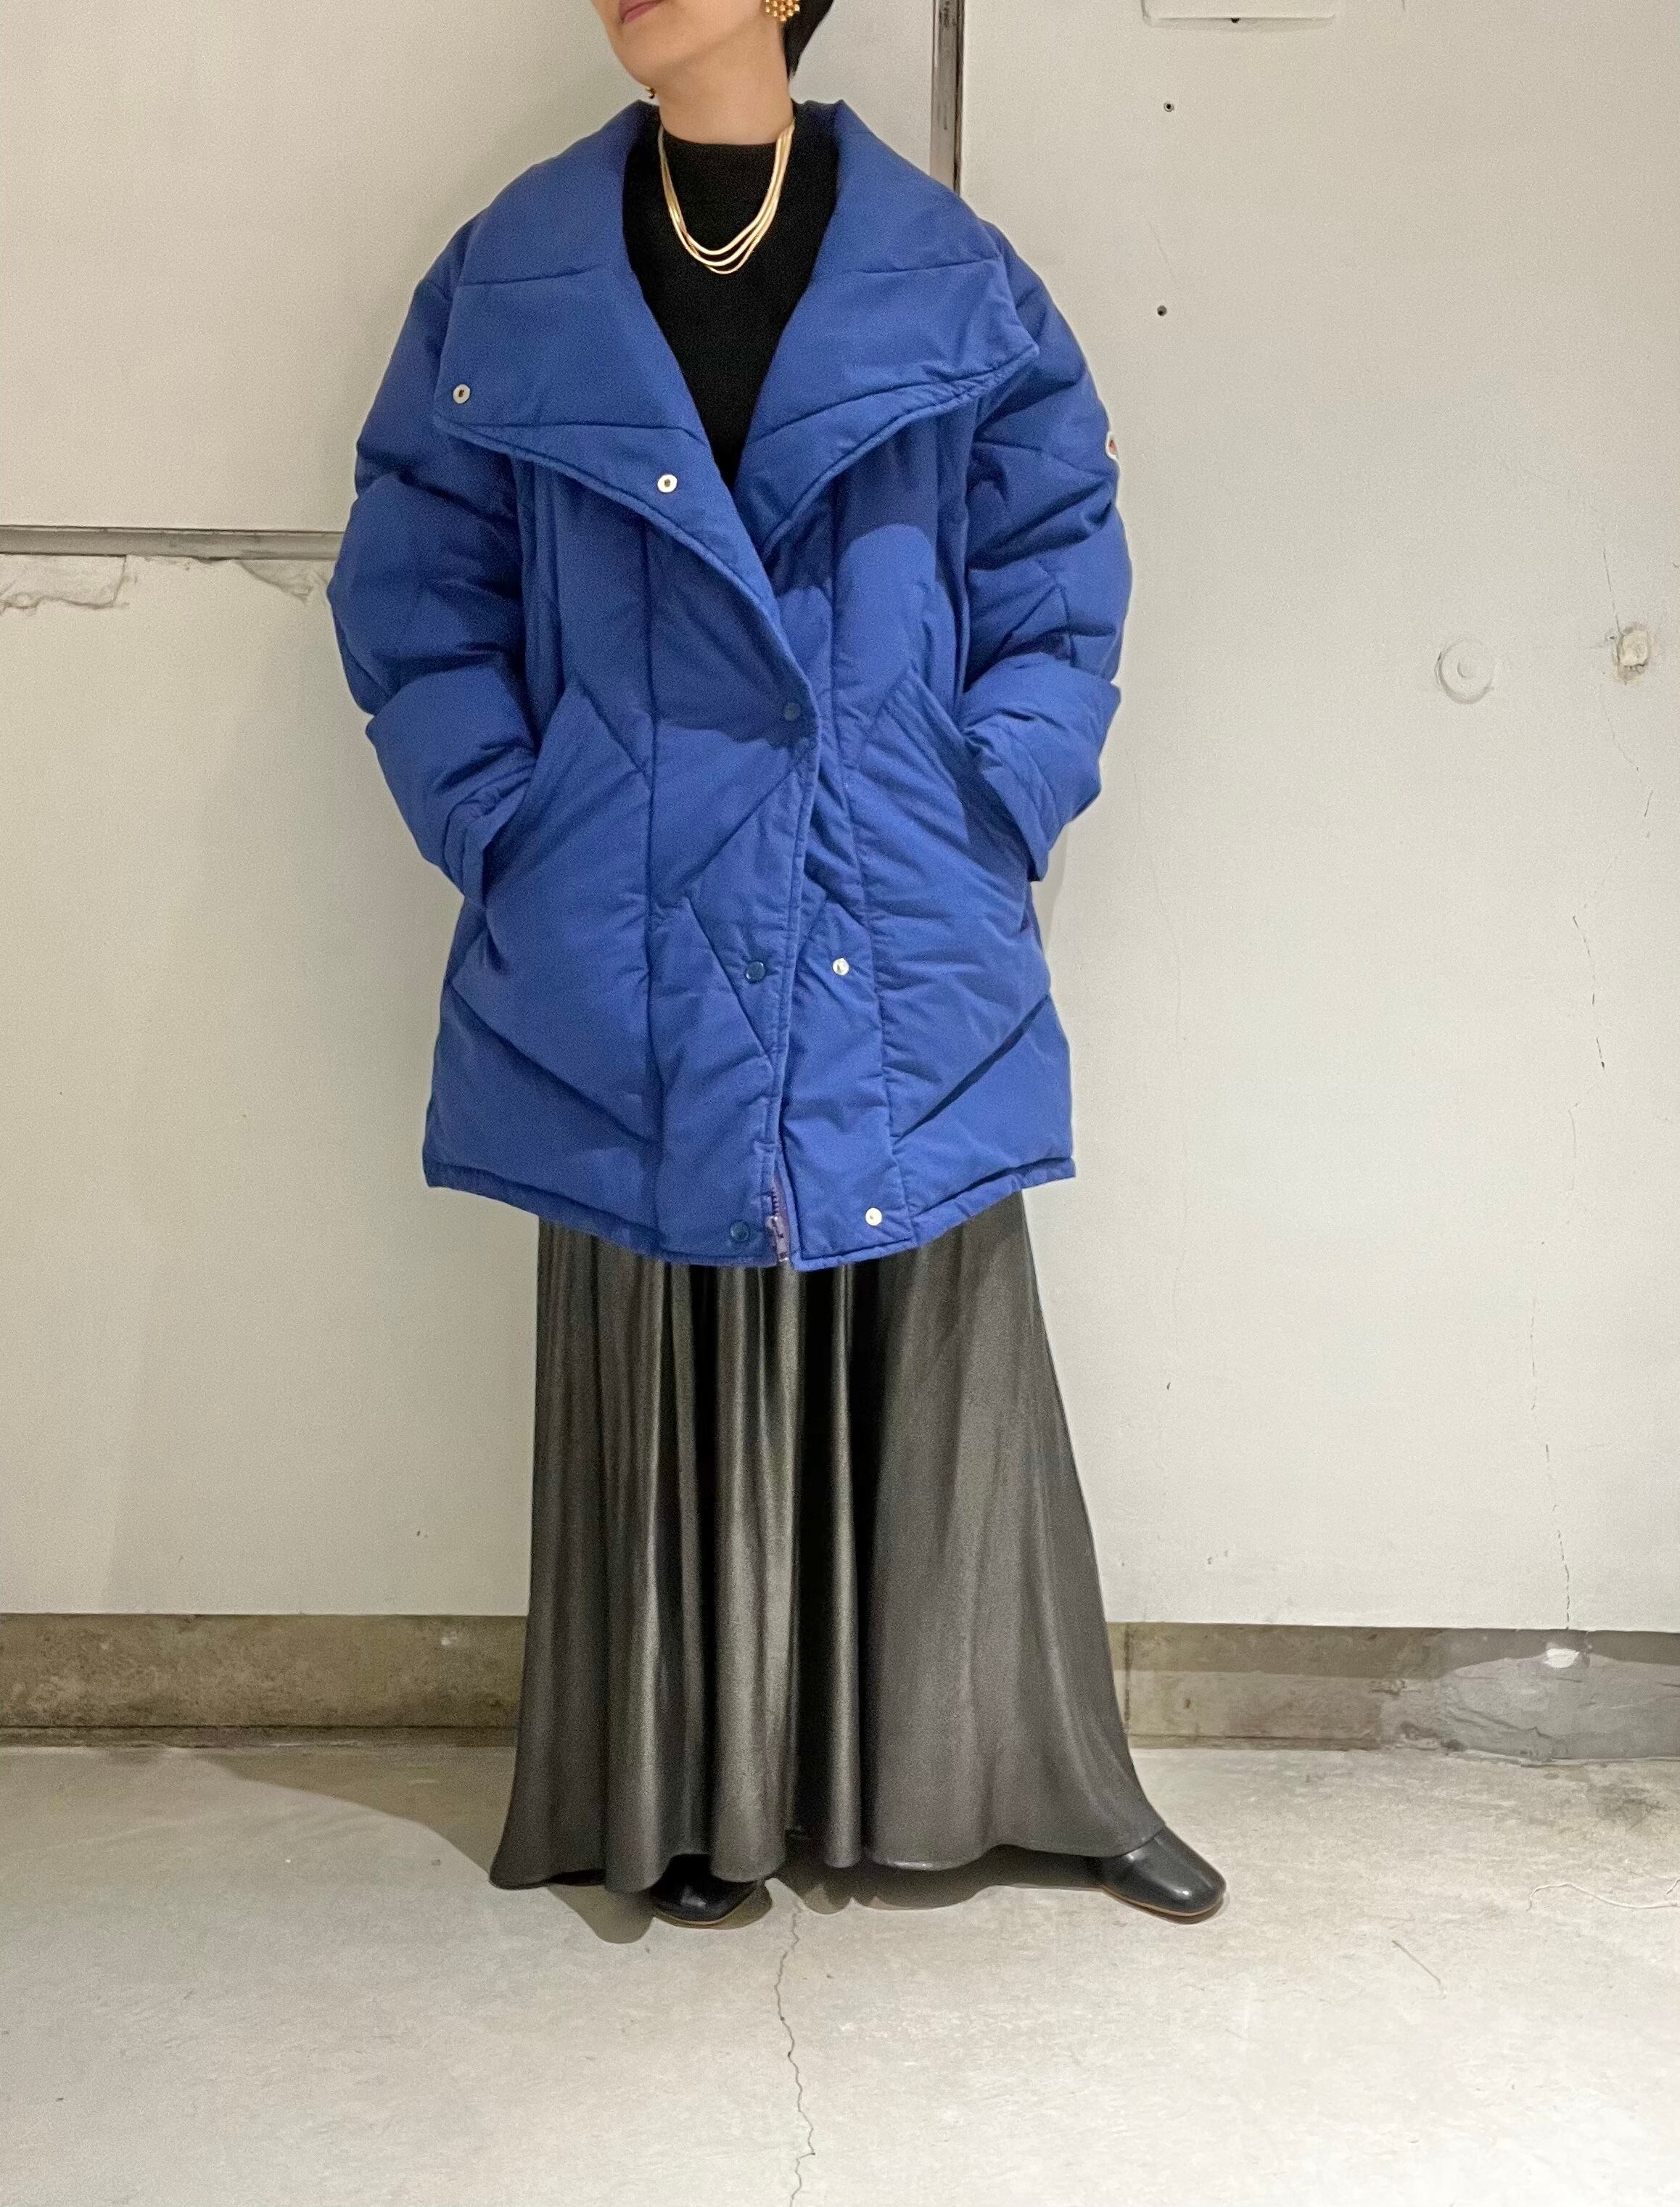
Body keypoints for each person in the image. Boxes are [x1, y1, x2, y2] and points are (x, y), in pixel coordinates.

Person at [326, 0, 1226, 1928]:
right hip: (626, 910)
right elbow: (417, 580)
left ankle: (998, 1775)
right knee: (668, 1317)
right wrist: (508, 816)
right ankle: (691, 1806)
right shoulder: (515, 272)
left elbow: (1058, 561)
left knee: (943, 1331)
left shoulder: (954, 278)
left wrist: (994, 794)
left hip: (886, 902)